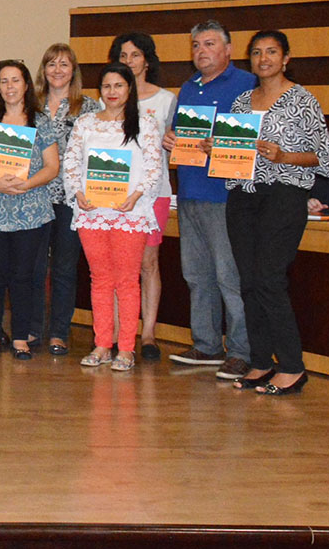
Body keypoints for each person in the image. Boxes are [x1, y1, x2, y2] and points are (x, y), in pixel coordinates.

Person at [225, 30, 329, 395]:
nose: (264, 58)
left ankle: (292, 366)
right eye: (257, 52)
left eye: (271, 51)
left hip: (284, 196)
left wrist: (284, 156)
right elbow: (234, 151)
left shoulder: (303, 99)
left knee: (269, 279)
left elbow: (324, 156)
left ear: (286, 58)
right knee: (248, 282)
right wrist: (215, 148)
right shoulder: (241, 101)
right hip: (243, 197)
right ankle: (260, 362)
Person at [161, 20, 256, 381]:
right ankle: (207, 344)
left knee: (229, 277)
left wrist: (225, 143)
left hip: (225, 195)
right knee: (197, 275)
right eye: (197, 45)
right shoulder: (189, 87)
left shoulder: (247, 84)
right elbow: (180, 134)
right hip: (190, 192)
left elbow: (256, 137)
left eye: (210, 44)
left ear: (229, 49)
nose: (202, 51)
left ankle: (242, 351)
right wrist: (171, 140)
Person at [62, 64, 163, 371]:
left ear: (129, 88)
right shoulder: (85, 123)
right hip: (92, 214)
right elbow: (71, 162)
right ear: (100, 91)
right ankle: (103, 344)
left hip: (130, 214)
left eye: (118, 85)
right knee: (100, 280)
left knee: (127, 281)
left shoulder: (144, 124)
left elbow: (154, 168)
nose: (112, 92)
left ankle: (127, 348)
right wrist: (77, 192)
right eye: (106, 86)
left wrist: (137, 195)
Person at [0, 60, 59, 361]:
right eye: (4, 81)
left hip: (30, 211)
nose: (10, 87)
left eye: (15, 80)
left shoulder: (41, 122)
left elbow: (52, 166)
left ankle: (21, 337)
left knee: (24, 276)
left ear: (26, 85)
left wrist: (27, 183)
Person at [109, 33, 177, 361]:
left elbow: (179, 146)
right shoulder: (108, 99)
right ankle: (118, 332)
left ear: (147, 60)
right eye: (123, 56)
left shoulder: (166, 100)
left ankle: (148, 333)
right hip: (114, 195)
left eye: (135, 55)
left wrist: (173, 142)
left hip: (154, 194)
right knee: (118, 265)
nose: (129, 61)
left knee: (148, 263)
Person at [31, 44, 101, 356]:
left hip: (71, 200)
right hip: (33, 196)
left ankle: (59, 332)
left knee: (64, 268)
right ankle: (31, 328)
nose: (57, 70)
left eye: (64, 64)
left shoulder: (89, 108)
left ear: (74, 70)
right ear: (43, 70)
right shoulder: (30, 105)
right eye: (52, 64)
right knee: (32, 267)